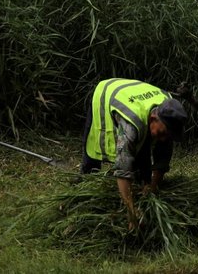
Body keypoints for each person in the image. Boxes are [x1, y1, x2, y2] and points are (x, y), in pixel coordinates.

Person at [80, 78, 188, 228]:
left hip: (133, 95)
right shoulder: (131, 125)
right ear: (152, 118)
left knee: (146, 148)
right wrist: (131, 212)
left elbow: (163, 157)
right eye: (162, 133)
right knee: (93, 154)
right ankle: (84, 188)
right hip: (106, 94)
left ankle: (142, 181)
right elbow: (123, 170)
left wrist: (152, 188)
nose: (164, 138)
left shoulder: (169, 112)